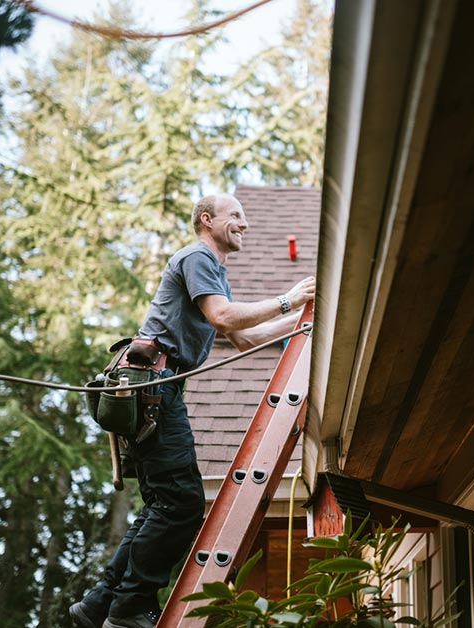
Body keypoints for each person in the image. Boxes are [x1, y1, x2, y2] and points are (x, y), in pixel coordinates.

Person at [70, 193, 316, 628]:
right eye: (236, 216)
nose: (246, 224)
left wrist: (302, 322)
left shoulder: (211, 271)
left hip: (154, 390)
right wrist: (288, 299)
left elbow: (243, 338)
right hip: (152, 391)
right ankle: (128, 608)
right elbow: (224, 319)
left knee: (162, 504)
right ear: (207, 220)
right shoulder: (197, 257)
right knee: (181, 504)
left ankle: (99, 604)